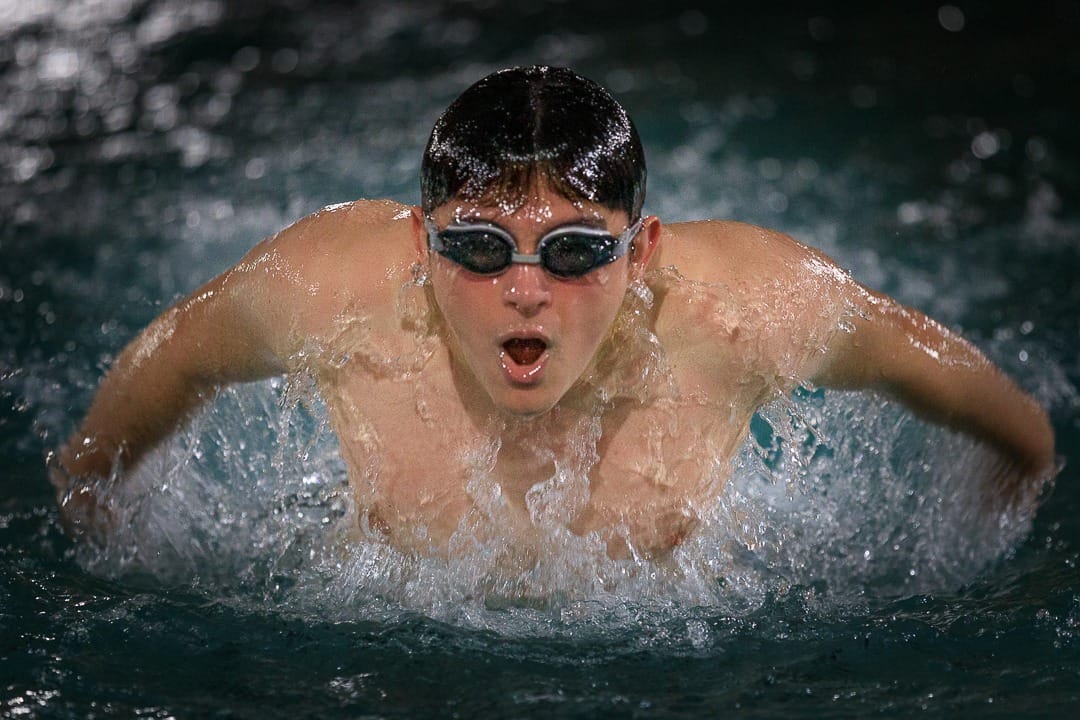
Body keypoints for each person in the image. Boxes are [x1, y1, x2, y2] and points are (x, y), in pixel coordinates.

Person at [52, 66, 1056, 561]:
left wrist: (978, 555)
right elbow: (178, 353)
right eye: (479, 248)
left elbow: (1018, 433)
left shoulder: (748, 309)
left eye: (576, 252)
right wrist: (92, 517)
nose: (524, 288)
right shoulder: (330, 290)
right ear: (420, 244)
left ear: (642, 252)